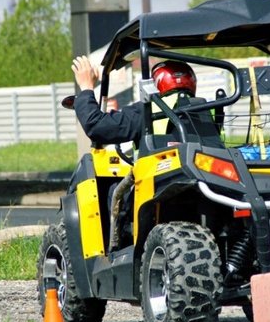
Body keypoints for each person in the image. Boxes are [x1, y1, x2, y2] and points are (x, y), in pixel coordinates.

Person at [71, 56, 199, 248]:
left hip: (156, 189)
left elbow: (97, 126)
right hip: (203, 182)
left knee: (114, 192)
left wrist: (87, 88)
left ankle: (117, 247)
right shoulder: (208, 109)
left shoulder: (147, 110)